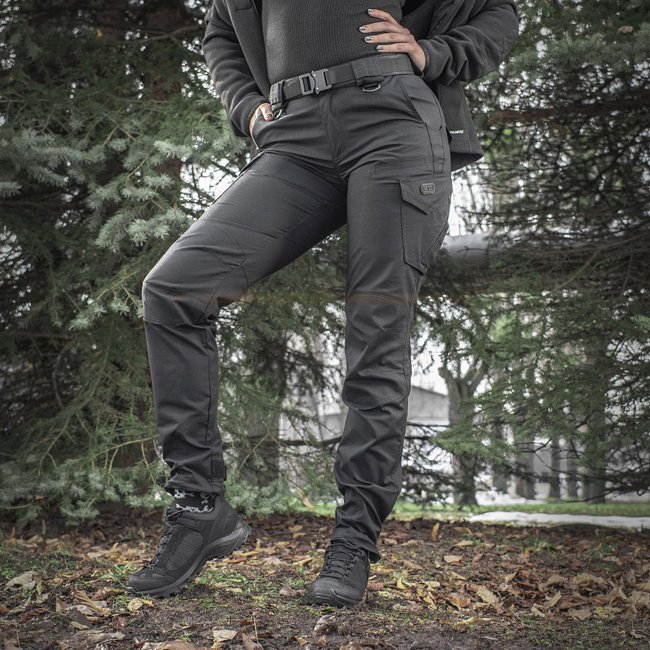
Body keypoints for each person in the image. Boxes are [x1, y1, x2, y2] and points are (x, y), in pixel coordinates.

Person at [127, 0, 519, 608]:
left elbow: (497, 11)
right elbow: (221, 30)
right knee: (175, 288)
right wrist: (245, 107)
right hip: (294, 133)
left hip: (393, 120)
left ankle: (354, 541)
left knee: (375, 329)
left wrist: (433, 52)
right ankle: (199, 507)